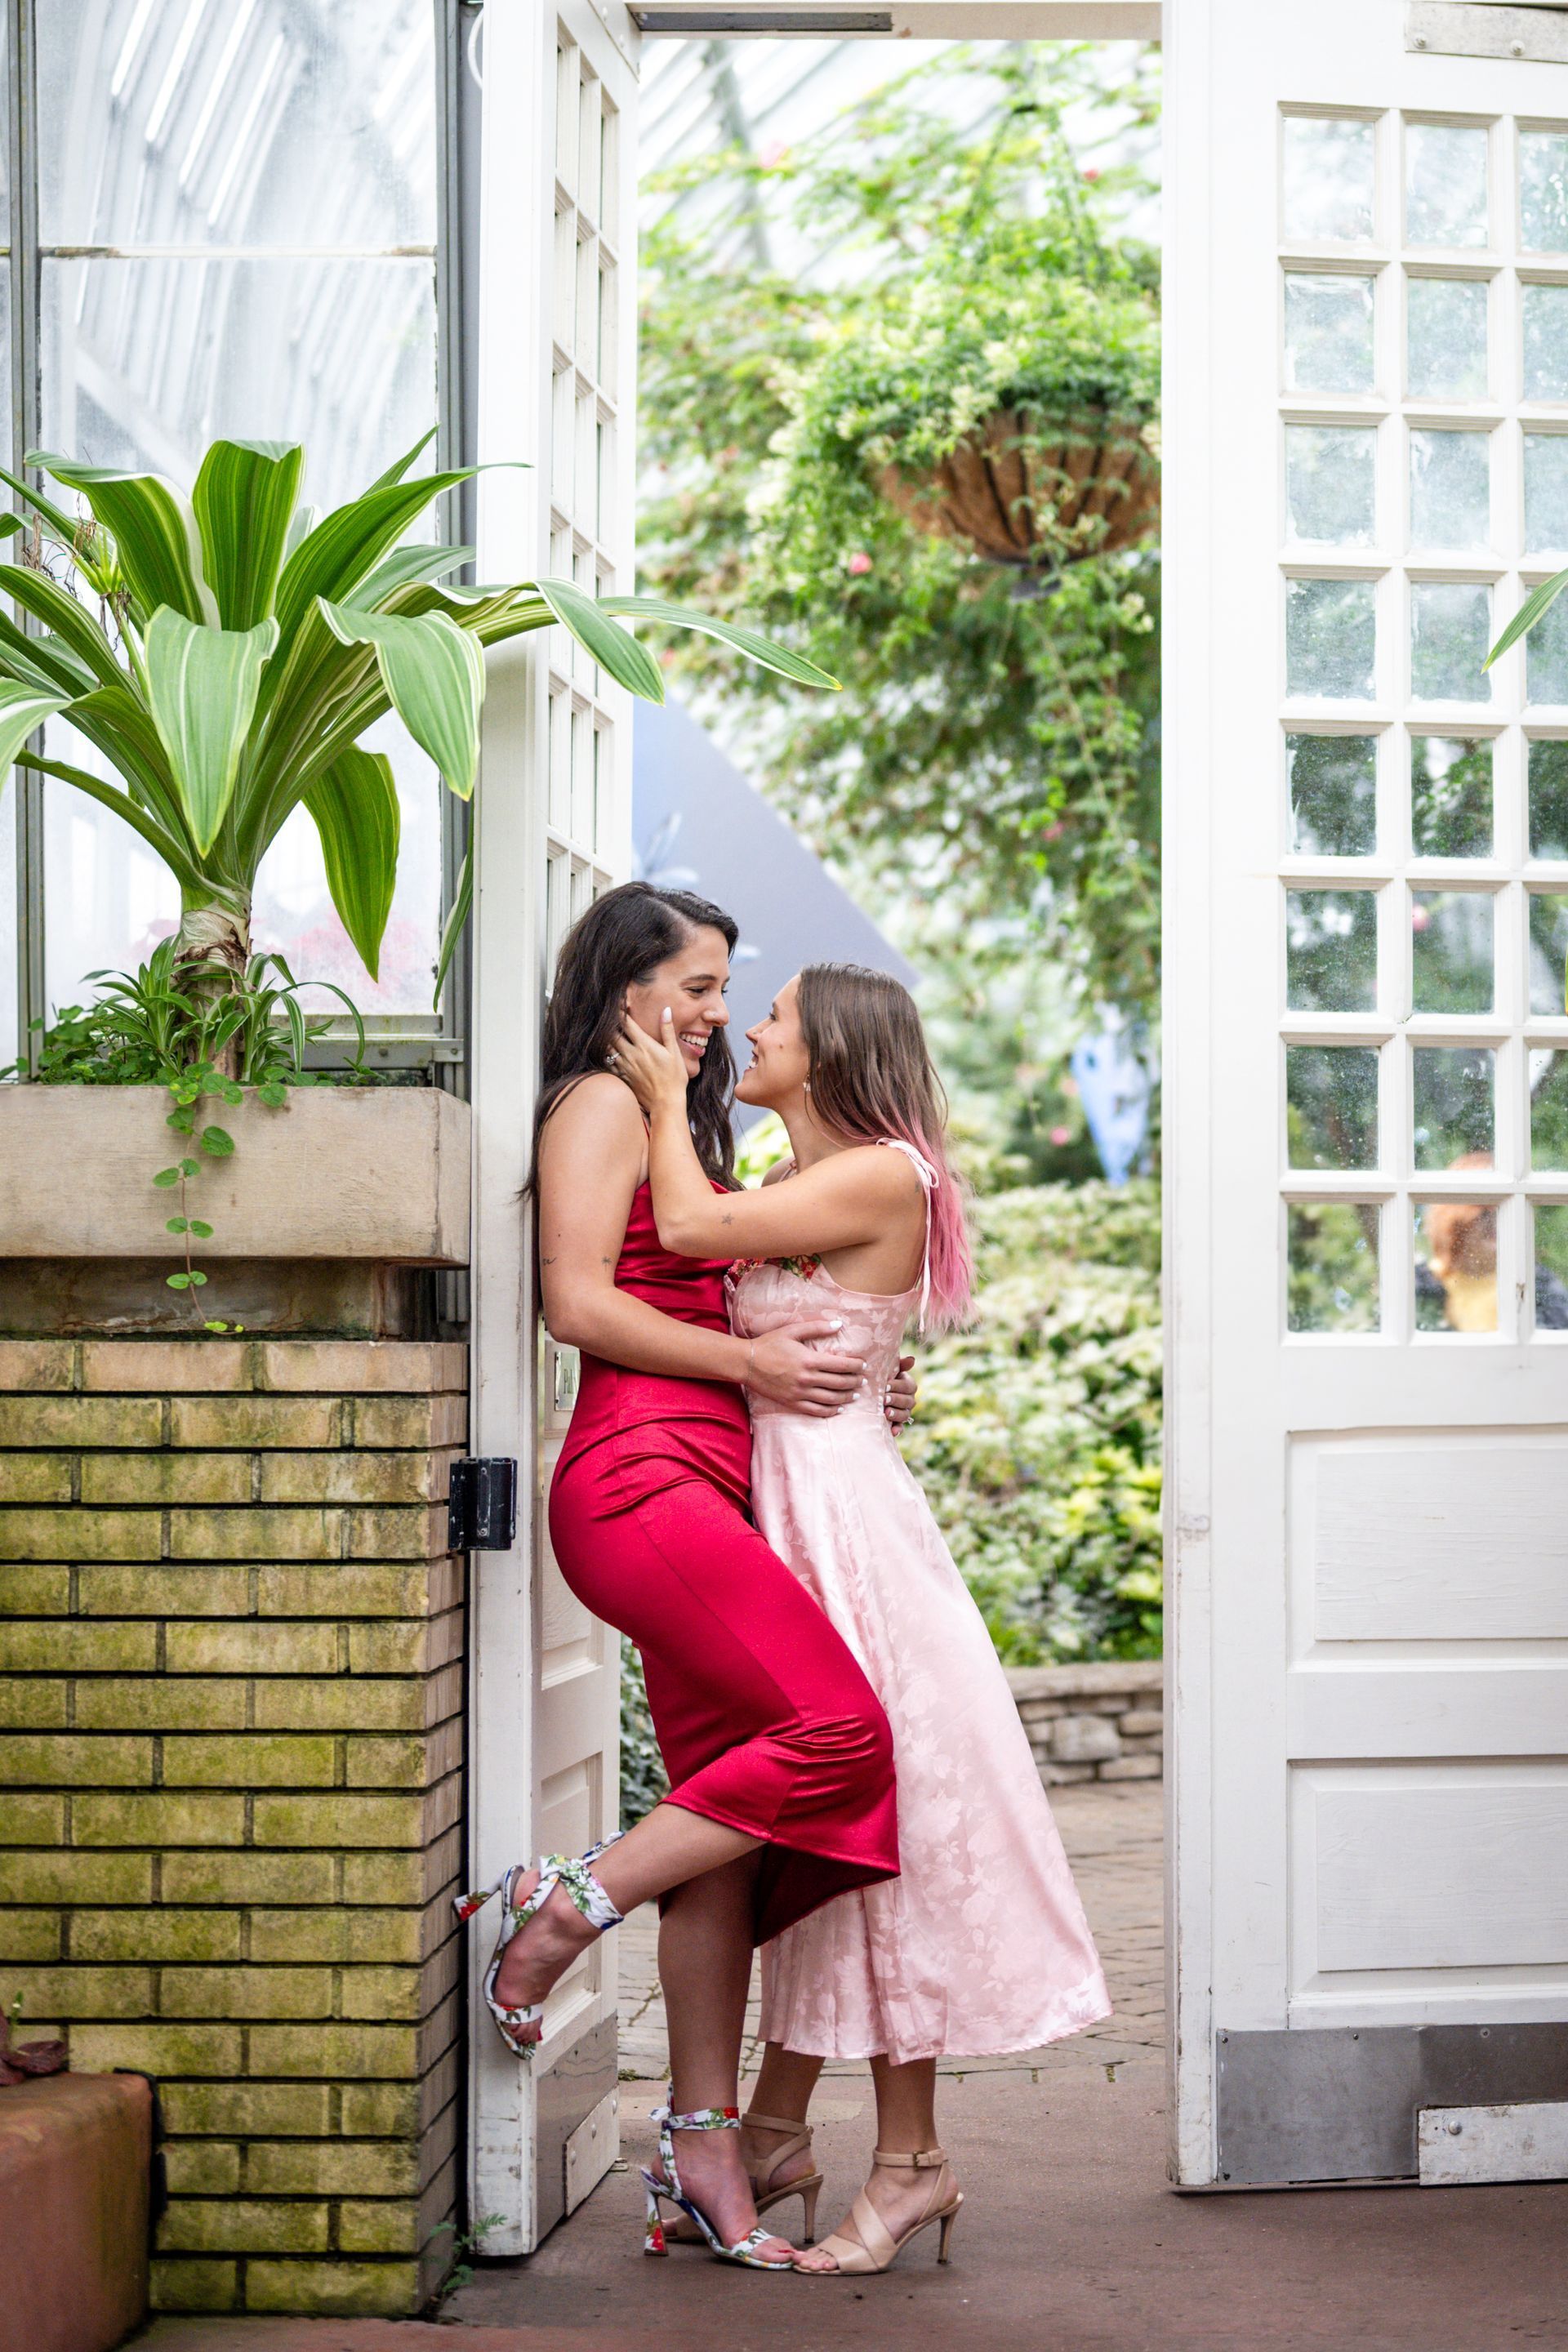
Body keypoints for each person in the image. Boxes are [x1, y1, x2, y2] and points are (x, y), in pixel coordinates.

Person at [612, 961, 1111, 2278]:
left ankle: (909, 2158)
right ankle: (778, 2131)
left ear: (828, 1050)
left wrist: (660, 1093)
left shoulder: (886, 1169)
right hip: (782, 1508)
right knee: (812, 1833)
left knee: (884, 1836)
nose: (749, 1031)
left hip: (847, 1532)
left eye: (771, 1017)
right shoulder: (805, 1180)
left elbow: (681, 1232)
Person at [457, 884, 911, 2273]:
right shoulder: (599, 1102)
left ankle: (701, 2148)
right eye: (702, 986)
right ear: (630, 988)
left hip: (709, 1485)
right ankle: (569, 1903)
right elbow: (582, 1302)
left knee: (734, 1829)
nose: (719, 1013)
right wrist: (754, 1365)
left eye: (727, 989)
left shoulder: (678, 1119)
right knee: (843, 1735)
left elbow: (743, 1267)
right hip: (641, 1481)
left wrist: (838, 1375)